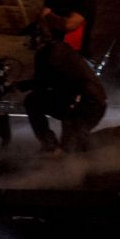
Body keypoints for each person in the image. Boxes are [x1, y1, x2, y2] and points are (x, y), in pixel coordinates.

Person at [23, 12, 108, 155]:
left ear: (41, 37)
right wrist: (24, 85)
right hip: (74, 101)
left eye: (31, 36)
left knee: (70, 151)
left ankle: (112, 137)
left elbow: (60, 89)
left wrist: (27, 85)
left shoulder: (55, 55)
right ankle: (49, 144)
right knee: (33, 101)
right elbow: (42, 84)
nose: (28, 40)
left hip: (88, 105)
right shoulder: (45, 54)